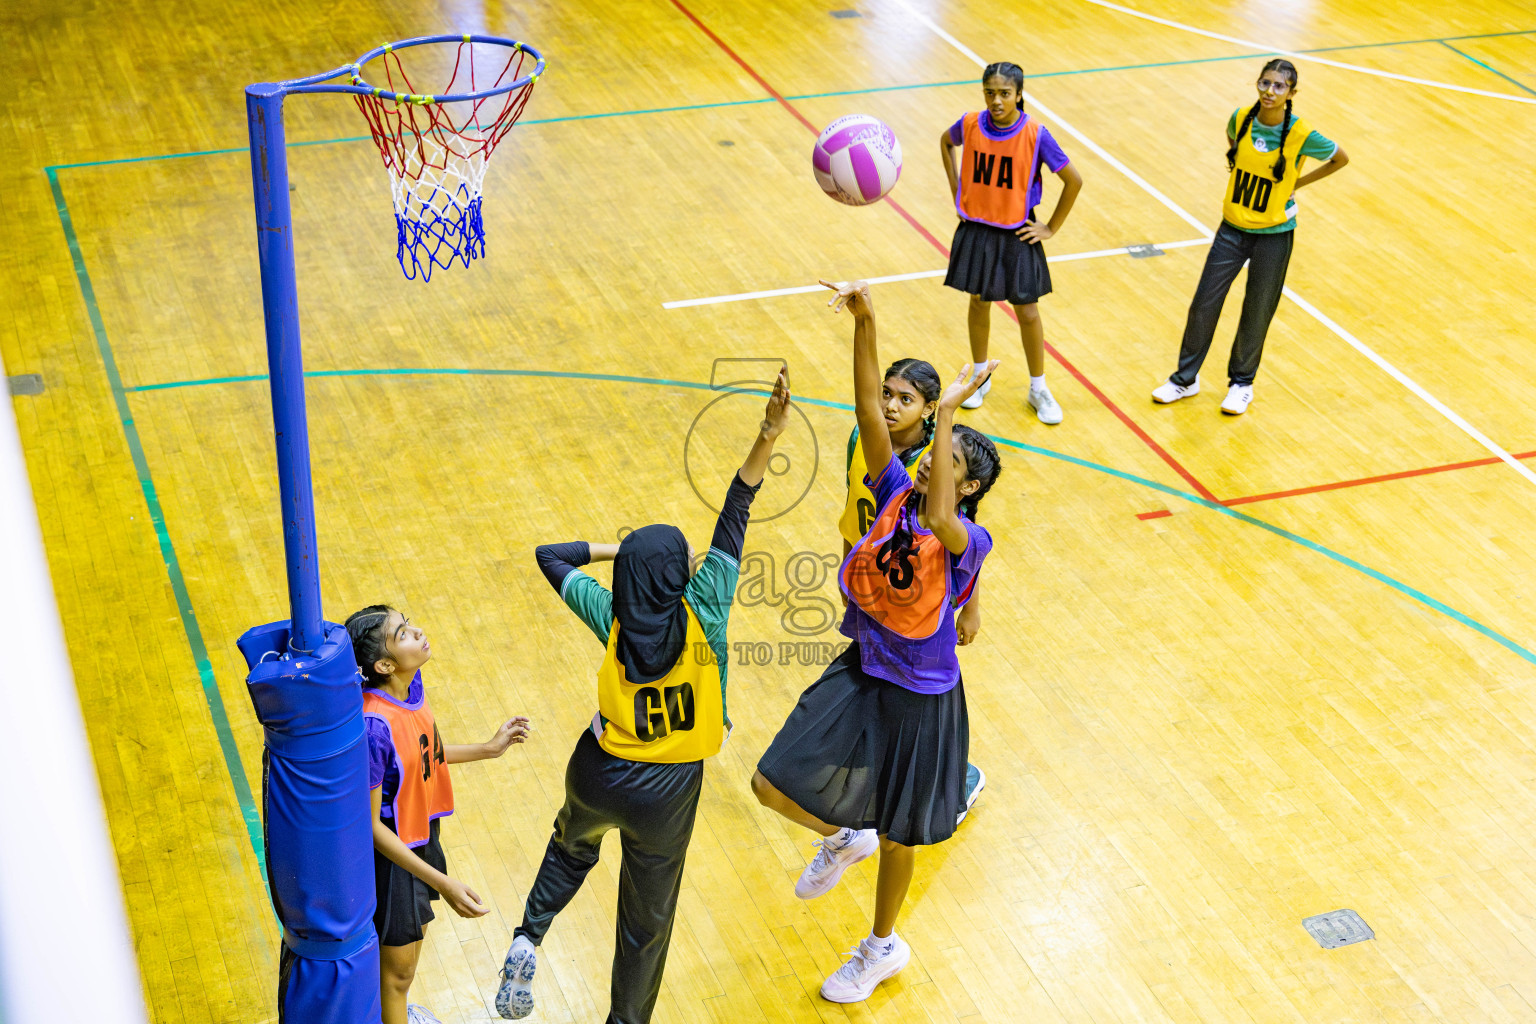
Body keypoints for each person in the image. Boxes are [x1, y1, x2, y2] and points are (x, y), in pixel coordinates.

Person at [495, 371, 793, 1022]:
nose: (694, 553)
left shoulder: (612, 614)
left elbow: (552, 556)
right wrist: (768, 433)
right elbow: (737, 509)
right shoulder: (707, 603)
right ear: (678, 570)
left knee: (571, 847)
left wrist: (619, 552)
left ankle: (528, 936)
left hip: (598, 769)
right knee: (645, 925)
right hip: (667, 791)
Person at [752, 281, 1002, 1003]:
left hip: (922, 697)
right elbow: (868, 409)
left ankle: (882, 944)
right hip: (864, 666)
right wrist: (866, 322)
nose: (929, 462)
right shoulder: (892, 482)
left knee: (901, 836)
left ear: (969, 482)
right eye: (933, 453)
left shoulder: (966, 537)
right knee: (770, 783)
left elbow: (951, 521)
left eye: (946, 460)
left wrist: (950, 409)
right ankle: (845, 833)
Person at [344, 606, 532, 1024]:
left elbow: (420, 754)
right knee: (397, 975)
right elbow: (371, 826)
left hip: (424, 833)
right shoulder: (374, 727)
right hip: (395, 854)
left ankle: (394, 1013)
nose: (418, 632)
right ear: (385, 664)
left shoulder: (410, 687)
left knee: (407, 960)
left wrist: (487, 748)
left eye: (409, 625)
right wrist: (443, 882)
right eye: (404, 634)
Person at [1152, 59, 1349, 414]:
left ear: (1291, 93)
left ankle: (1241, 384)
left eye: (1278, 87)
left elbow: (1340, 158)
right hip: (1232, 228)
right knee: (1204, 303)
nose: (1269, 92)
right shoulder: (1241, 118)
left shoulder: (1302, 134)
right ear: (1257, 85)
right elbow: (1232, 139)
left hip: (1274, 235)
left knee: (1256, 310)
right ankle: (1185, 379)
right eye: (1264, 83)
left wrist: (1295, 185)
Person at [838, 356, 986, 825]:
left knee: (917, 723)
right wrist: (851, 566)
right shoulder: (866, 446)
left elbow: (959, 536)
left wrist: (971, 608)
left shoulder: (931, 467)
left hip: (922, 627)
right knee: (878, 699)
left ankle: (956, 781)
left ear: (928, 409)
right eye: (887, 394)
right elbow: (856, 510)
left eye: (905, 399)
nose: (889, 406)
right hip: (882, 589)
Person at [940, 60, 1082, 421]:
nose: (996, 100)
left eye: (1004, 93)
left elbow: (1074, 180)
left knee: (1028, 312)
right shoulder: (971, 123)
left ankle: (1038, 388)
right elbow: (946, 141)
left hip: (1017, 233)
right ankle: (979, 374)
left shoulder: (1036, 133)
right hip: (977, 228)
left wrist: (1049, 227)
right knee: (977, 302)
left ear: (1019, 94)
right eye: (990, 93)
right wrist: (957, 190)